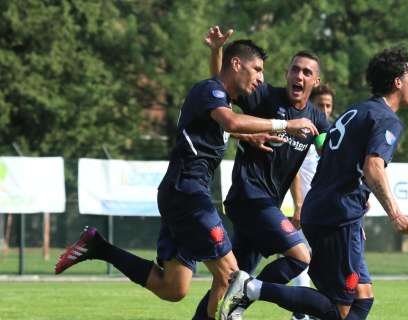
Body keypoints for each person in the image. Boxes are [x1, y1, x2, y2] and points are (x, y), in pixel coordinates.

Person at [54, 39, 318, 320]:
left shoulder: (219, 99)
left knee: (173, 287)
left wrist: (250, 135)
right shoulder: (210, 90)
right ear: (237, 64)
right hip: (188, 193)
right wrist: (286, 124)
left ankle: (99, 247)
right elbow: (231, 122)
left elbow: (224, 127)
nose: (261, 78)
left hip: (181, 194)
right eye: (257, 69)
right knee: (232, 278)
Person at [220, 47, 408, 320]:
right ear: (398, 81)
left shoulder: (357, 111)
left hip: (332, 212)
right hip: (335, 216)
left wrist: (356, 212)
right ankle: (253, 288)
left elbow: (332, 162)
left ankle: (252, 289)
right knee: (337, 309)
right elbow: (374, 167)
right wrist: (394, 214)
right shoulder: (386, 119)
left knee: (363, 297)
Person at [201, 26, 330, 320]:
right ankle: (246, 297)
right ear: (287, 73)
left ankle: (225, 304)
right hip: (249, 197)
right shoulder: (264, 97)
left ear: (315, 81)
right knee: (300, 256)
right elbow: (220, 88)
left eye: (307, 73)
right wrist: (216, 51)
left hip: (265, 205)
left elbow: (331, 153)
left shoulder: (317, 119)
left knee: (229, 278)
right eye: (295, 69)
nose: (299, 76)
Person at [287, 84, 335, 320]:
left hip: (325, 212)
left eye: (328, 106)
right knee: (300, 261)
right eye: (320, 105)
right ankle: (300, 312)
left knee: (322, 265)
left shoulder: (331, 138)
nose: (324, 110)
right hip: (304, 209)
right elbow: (294, 172)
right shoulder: (304, 133)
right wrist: (298, 205)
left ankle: (309, 310)